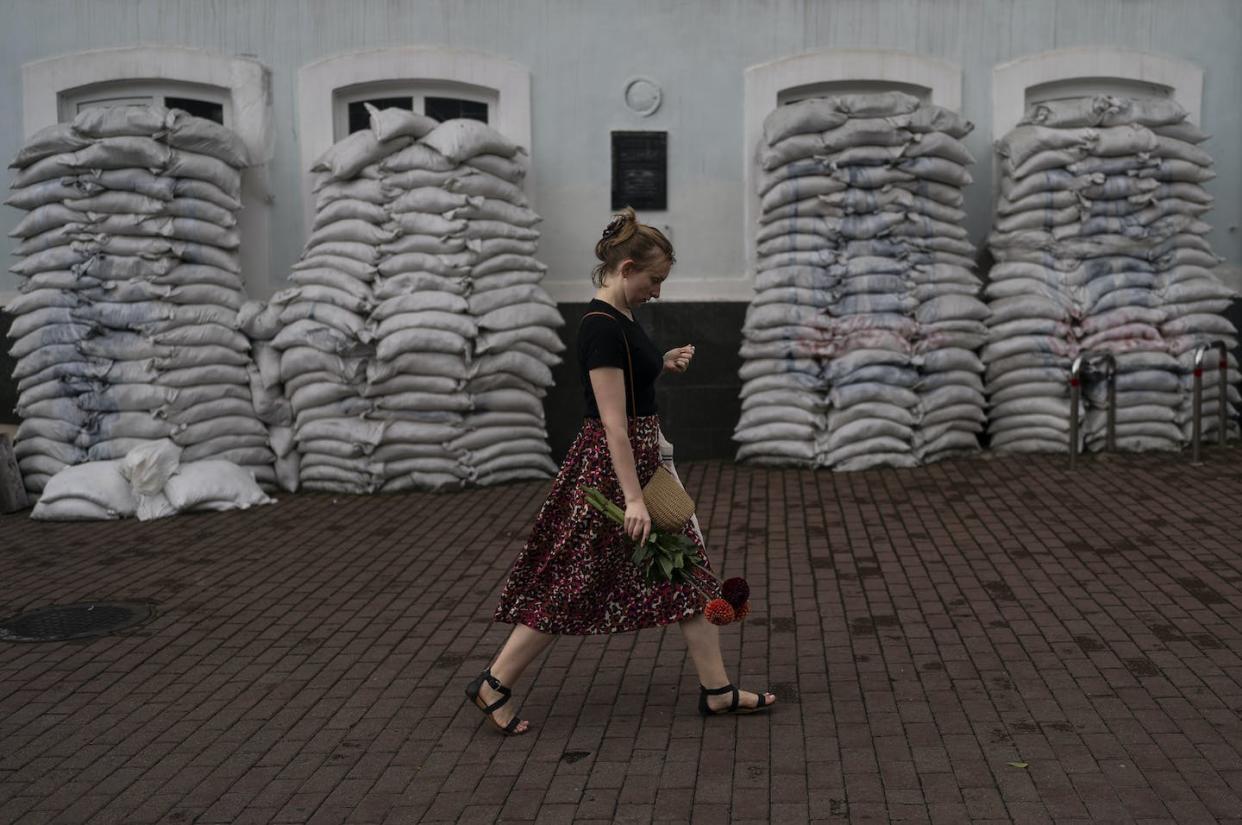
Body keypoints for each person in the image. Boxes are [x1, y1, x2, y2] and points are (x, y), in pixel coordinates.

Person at [465, 207, 775, 735]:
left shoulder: (620, 318)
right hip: (614, 472)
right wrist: (633, 499)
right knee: (572, 585)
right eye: (654, 280)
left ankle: (718, 692)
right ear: (627, 267)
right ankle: (493, 684)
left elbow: (633, 381)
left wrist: (663, 362)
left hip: (637, 462)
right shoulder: (600, 328)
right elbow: (613, 426)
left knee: (689, 574)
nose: (658, 291)